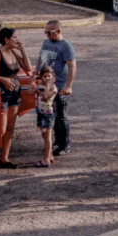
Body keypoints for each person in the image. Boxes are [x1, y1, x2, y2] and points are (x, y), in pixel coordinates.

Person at [0, 27, 32, 169]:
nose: (17, 39)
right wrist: (2, 79)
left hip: (15, 92)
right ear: (6, 39)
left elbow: (27, 67)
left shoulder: (14, 52)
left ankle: (4, 158)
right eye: (14, 37)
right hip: (2, 93)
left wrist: (23, 50)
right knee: (0, 129)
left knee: (10, 127)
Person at [38, 20, 76, 156]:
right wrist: (36, 72)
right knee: (50, 115)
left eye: (49, 33)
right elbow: (41, 58)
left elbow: (72, 66)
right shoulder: (46, 42)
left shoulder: (66, 46)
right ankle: (56, 142)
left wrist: (69, 86)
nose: (47, 35)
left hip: (59, 87)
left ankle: (64, 144)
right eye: (45, 32)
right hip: (45, 87)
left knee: (61, 116)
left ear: (58, 31)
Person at [29, 66, 58, 167]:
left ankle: (46, 159)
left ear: (53, 77)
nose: (47, 78)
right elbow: (29, 92)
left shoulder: (53, 88)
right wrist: (33, 81)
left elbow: (46, 96)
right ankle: (50, 155)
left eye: (49, 76)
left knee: (48, 136)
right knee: (44, 135)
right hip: (40, 112)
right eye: (44, 76)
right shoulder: (40, 85)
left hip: (48, 114)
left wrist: (48, 84)